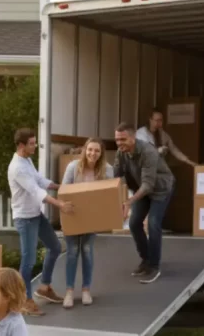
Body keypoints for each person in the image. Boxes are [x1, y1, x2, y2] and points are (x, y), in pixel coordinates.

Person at [7, 128, 72, 316]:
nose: (35, 146)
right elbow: (36, 192)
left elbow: (40, 181)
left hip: (35, 214)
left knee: (55, 247)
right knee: (28, 261)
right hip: (24, 218)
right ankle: (23, 300)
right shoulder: (17, 167)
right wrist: (60, 204)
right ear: (21, 145)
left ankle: (44, 287)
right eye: (32, 144)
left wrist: (61, 187)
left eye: (35, 143)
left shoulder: (26, 160)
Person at [114, 122, 175, 284]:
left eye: (123, 139)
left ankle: (154, 267)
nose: (119, 143)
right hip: (141, 189)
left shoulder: (149, 152)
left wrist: (128, 202)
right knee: (134, 223)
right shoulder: (121, 152)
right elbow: (116, 176)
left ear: (133, 138)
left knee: (154, 222)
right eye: (117, 140)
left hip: (160, 189)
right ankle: (146, 260)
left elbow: (148, 185)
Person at [60, 138, 115, 308]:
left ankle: (86, 290)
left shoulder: (107, 170)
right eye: (90, 149)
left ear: (101, 153)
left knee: (86, 249)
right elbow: (64, 191)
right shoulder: (73, 167)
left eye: (96, 151)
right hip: (73, 215)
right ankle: (69, 291)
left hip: (92, 217)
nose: (93, 153)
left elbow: (108, 194)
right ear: (84, 150)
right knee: (72, 251)